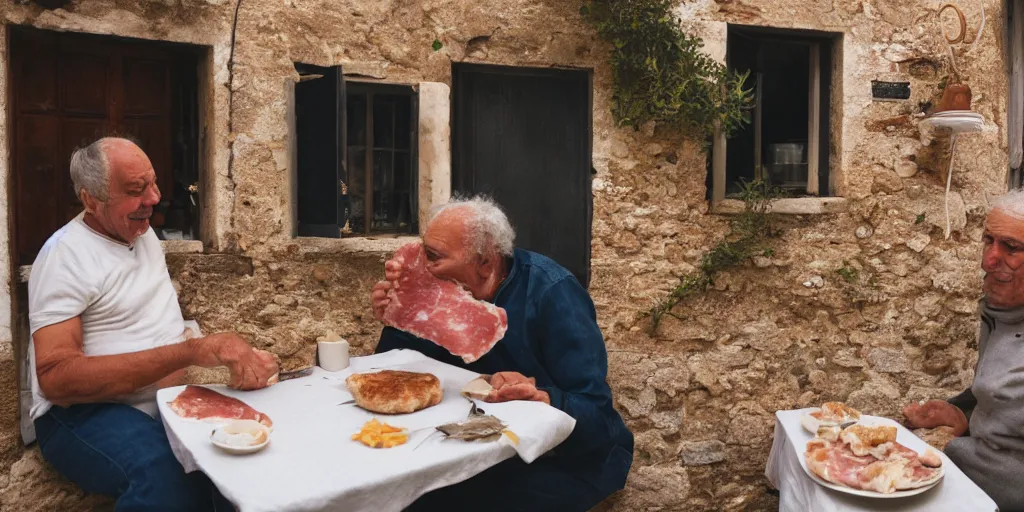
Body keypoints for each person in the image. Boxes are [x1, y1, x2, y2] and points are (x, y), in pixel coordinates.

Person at [29, 137, 279, 511]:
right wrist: (193, 350)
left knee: (237, 468)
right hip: (81, 413)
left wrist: (233, 360)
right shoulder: (64, 255)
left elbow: (149, 322)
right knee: (164, 473)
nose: (153, 198)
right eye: (135, 190)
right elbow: (56, 378)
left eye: (153, 183)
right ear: (90, 200)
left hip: (156, 401)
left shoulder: (140, 234)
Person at [371, 195, 633, 512]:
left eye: (433, 256)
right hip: (471, 448)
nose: (421, 265)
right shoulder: (442, 294)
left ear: (484, 261)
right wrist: (399, 316)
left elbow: (597, 417)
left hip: (563, 461)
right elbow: (397, 371)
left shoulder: (552, 292)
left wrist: (544, 397)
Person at [903, 189, 1024, 510]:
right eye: (988, 240)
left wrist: (962, 452)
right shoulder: (1000, 311)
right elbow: (1002, 394)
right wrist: (959, 412)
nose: (988, 260)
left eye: (1011, 248)